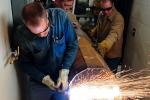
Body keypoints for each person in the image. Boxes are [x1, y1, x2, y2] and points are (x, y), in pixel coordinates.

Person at [14, 2, 78, 100]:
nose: (42, 35)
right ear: (26, 25)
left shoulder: (60, 17)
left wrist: (65, 69)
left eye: (45, 29)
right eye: (36, 33)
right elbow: (24, 63)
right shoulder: (21, 35)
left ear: (47, 15)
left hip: (63, 78)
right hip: (38, 80)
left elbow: (72, 44)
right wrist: (43, 79)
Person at [90, 0, 124, 73]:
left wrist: (103, 46)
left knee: (108, 78)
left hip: (112, 56)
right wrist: (93, 31)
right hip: (102, 53)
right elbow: (99, 26)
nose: (106, 12)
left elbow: (113, 35)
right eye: (103, 9)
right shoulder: (102, 14)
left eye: (108, 9)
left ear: (113, 5)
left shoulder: (118, 18)